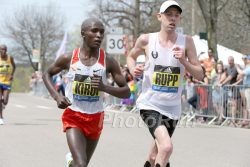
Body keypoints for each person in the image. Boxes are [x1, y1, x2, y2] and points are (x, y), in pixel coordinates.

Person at [42, 18, 130, 167]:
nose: (99, 35)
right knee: (81, 164)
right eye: (94, 31)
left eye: (101, 32)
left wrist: (105, 87)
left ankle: (71, 162)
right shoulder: (69, 58)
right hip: (74, 115)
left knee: (81, 164)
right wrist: (57, 96)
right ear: (83, 33)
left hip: (96, 117)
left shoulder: (108, 61)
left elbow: (126, 92)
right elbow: (47, 74)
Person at [126, 1, 204, 167]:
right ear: (159, 17)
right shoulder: (147, 40)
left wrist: (184, 61)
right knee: (166, 147)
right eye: (169, 15)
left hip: (172, 108)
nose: (173, 18)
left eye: (176, 15)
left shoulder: (187, 42)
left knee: (155, 156)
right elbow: (130, 57)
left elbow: (200, 74)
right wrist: (134, 70)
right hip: (150, 104)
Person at [0, 44, 16, 125]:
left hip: (7, 82)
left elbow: (14, 66)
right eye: (2, 49)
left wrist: (12, 75)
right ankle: (1, 117)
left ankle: (3, 105)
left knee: (5, 101)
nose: (3, 51)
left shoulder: (10, 58)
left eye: (4, 49)